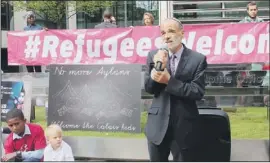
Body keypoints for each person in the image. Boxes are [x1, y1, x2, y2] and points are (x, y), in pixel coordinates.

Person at [144, 17, 207, 162]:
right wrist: (159, 66)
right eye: (163, 32)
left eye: (171, 31)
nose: (166, 36)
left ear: (182, 33)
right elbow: (149, 88)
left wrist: (169, 81)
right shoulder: (154, 56)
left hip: (184, 127)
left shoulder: (197, 59)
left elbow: (197, 91)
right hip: (157, 126)